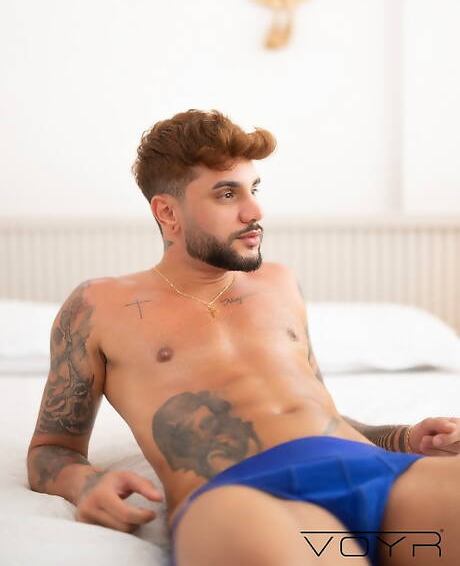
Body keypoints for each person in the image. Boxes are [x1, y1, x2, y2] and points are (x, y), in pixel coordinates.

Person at [27, 109, 460, 566]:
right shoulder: (98, 305)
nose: (255, 211)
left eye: (254, 189)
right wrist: (85, 482)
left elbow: (314, 410)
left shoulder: (280, 283)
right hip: (240, 495)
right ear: (168, 212)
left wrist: (404, 438)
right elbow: (51, 450)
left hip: (373, 470)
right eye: (227, 194)